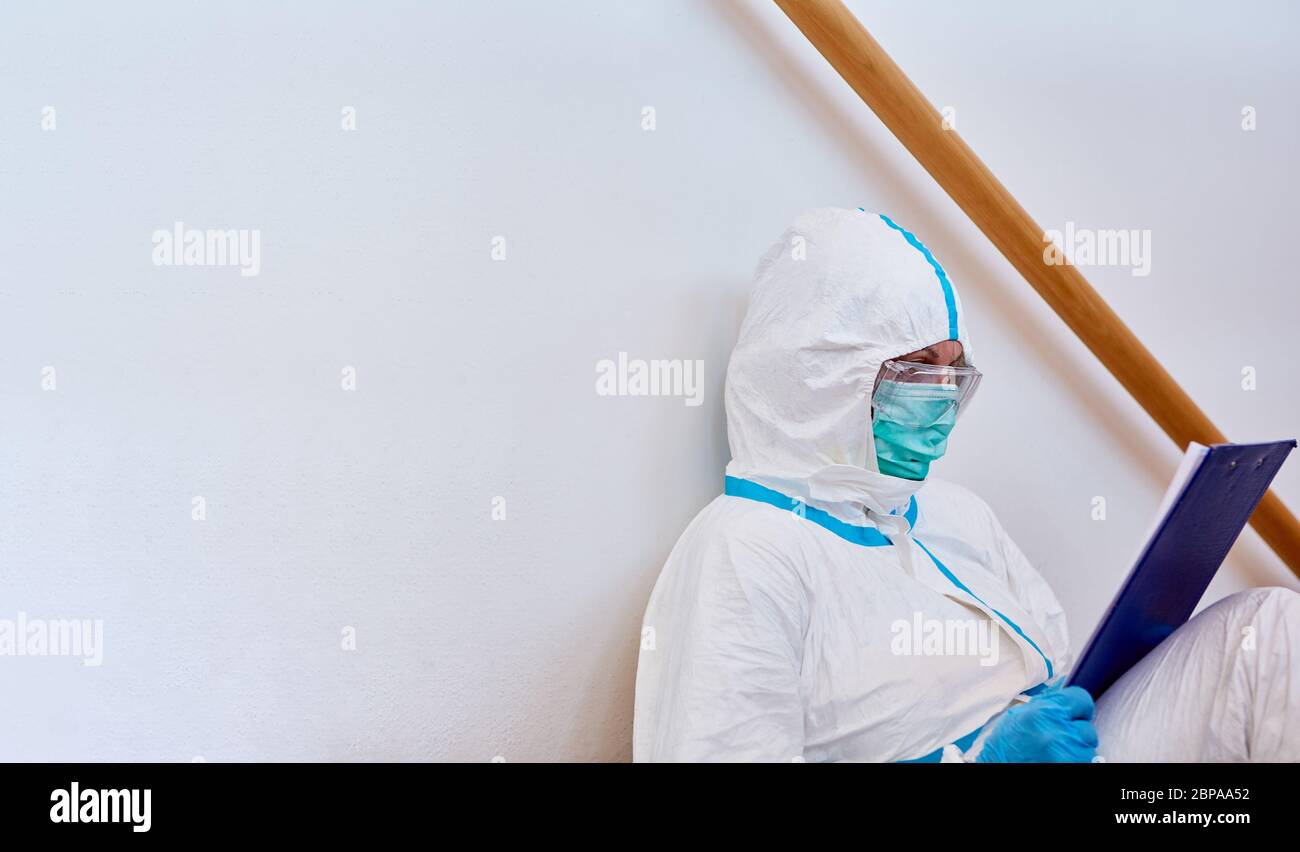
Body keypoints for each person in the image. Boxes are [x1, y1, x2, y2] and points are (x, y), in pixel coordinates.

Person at [632, 207, 1300, 762]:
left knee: (1267, 627)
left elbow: (1056, 659)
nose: (942, 398)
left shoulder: (951, 513)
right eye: (919, 367)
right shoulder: (745, 554)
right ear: (819, 373)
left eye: (953, 370)